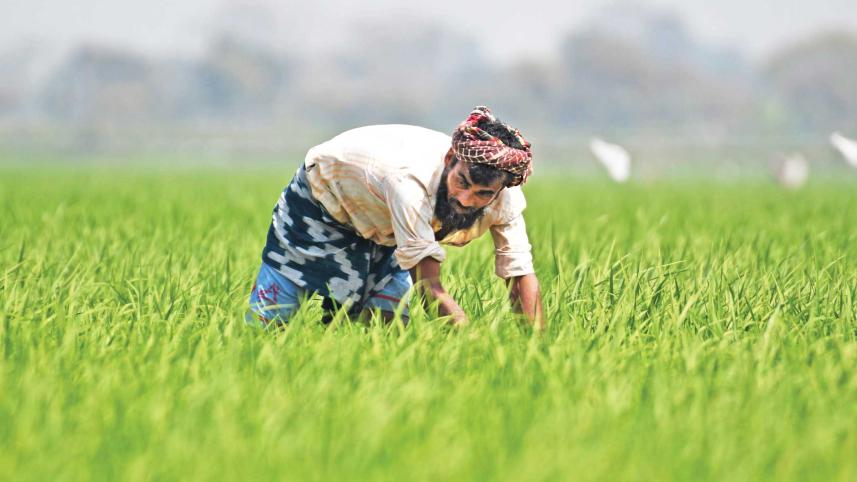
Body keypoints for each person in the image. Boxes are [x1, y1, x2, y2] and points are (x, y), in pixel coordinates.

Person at [246, 106, 544, 329]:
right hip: (323, 204)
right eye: (462, 182)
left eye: (483, 194)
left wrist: (532, 350)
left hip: (385, 225)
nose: (466, 200)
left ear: (501, 188)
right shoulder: (410, 184)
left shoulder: (505, 198)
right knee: (270, 320)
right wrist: (470, 342)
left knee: (386, 326)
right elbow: (429, 286)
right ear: (450, 160)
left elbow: (519, 275)